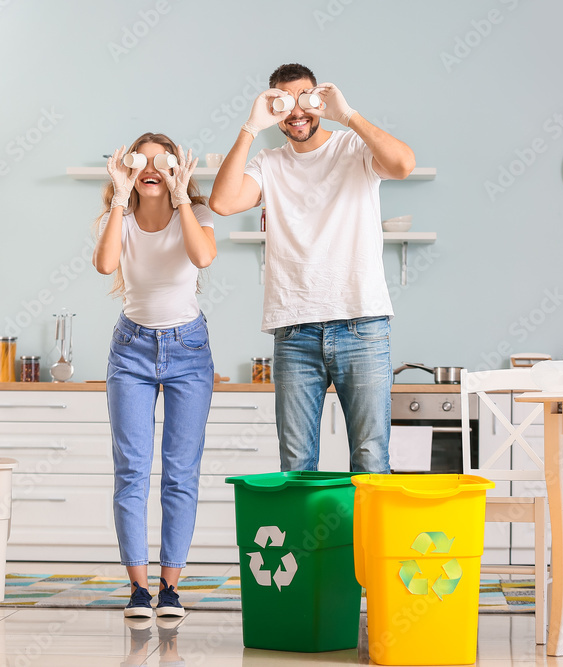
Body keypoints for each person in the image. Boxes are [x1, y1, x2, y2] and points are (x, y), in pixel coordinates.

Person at [209, 63, 415, 474]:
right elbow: (223, 203)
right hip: (295, 330)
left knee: (372, 459)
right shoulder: (268, 163)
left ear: (319, 100)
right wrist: (250, 126)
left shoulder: (352, 149)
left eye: (306, 98)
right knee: (297, 465)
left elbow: (402, 164)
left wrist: (348, 114)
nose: (297, 112)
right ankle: (309, 543)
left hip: (362, 323)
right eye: (284, 103)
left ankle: (366, 542)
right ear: (275, 110)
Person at [93, 132, 217, 618]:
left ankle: (170, 588)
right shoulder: (117, 220)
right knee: (132, 471)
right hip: (132, 350)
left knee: (180, 473)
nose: (149, 168)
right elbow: (105, 265)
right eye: (138, 162)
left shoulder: (197, 214)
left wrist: (183, 196)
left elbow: (203, 256)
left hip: (188, 349)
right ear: (127, 169)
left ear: (173, 169)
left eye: (158, 162)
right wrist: (120, 198)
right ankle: (138, 590)